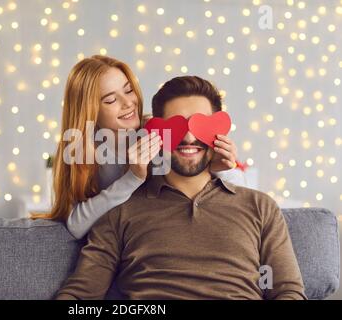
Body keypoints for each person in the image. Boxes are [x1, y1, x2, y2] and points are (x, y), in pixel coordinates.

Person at [55, 76, 306, 300]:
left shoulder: (260, 207)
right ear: (155, 133)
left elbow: (288, 291)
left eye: (200, 126)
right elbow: (79, 295)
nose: (188, 138)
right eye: (176, 126)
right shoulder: (119, 212)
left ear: (218, 132)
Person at [41, 55, 244, 241]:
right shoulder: (79, 150)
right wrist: (133, 177)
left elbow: (246, 201)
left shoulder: (157, 133)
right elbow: (76, 225)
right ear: (90, 111)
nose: (128, 103)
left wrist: (220, 169)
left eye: (128, 90)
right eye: (111, 100)